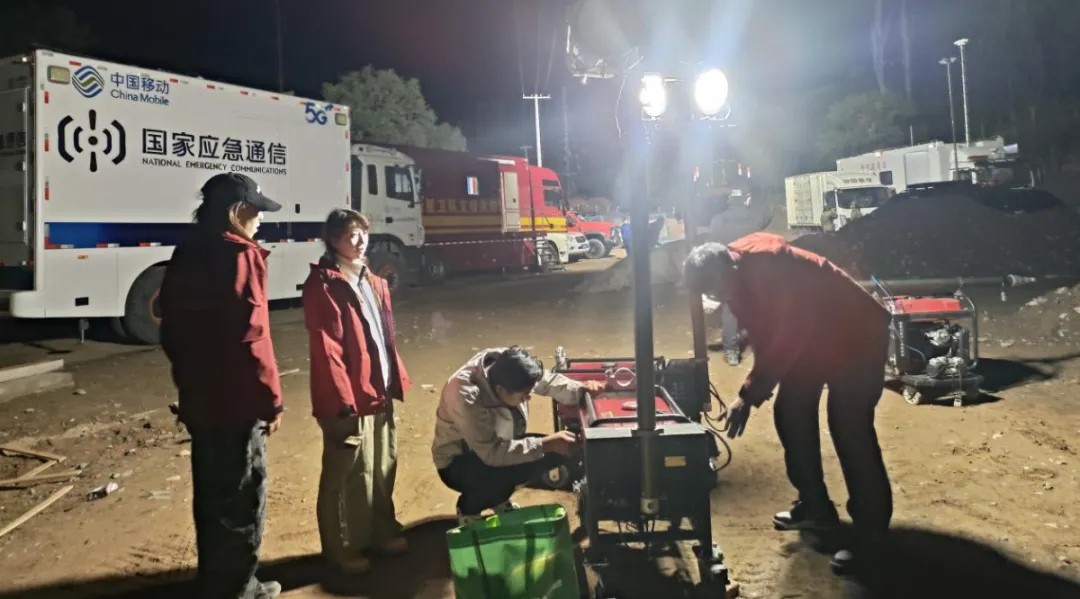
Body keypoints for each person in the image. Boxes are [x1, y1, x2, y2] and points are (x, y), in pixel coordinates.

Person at [683, 232, 892, 576]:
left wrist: (748, 396)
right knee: (790, 412)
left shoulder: (771, 267)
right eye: (711, 295)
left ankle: (871, 533)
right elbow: (765, 331)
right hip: (817, 339)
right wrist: (750, 373)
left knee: (849, 426)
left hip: (857, 335)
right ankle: (816, 507)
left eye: (717, 290)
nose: (718, 298)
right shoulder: (734, 274)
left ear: (727, 269)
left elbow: (789, 335)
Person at [160, 172, 284, 599]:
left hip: (200, 398)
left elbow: (171, 329)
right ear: (237, 211)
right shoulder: (240, 255)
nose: (260, 220)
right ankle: (239, 589)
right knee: (242, 496)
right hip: (237, 402)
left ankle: (216, 583)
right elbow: (252, 338)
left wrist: (189, 381)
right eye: (256, 212)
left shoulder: (188, 250)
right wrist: (271, 401)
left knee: (212, 496)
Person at [302, 209, 411, 575]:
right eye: (351, 234)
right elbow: (327, 349)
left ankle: (381, 531)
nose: (360, 240)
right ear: (333, 240)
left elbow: (383, 338)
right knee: (344, 473)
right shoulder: (324, 285)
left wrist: (393, 379)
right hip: (348, 398)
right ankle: (342, 548)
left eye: (363, 232)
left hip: (377, 389)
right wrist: (341, 400)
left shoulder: (373, 281)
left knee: (381, 466)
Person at [432, 347, 605, 524]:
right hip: (458, 462)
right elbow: (492, 453)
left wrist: (581, 389)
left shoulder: (509, 364)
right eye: (524, 395)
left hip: (497, 445)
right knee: (529, 462)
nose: (528, 398)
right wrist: (545, 444)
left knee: (552, 455)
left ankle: (498, 498)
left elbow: (545, 382)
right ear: (500, 390)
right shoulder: (465, 396)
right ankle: (471, 506)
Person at [704, 192, 770, 366]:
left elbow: (712, 247)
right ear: (744, 200)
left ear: (729, 201)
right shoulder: (756, 218)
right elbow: (767, 219)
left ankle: (732, 353)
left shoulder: (718, 220)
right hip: (753, 271)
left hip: (730, 272)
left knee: (730, 311)